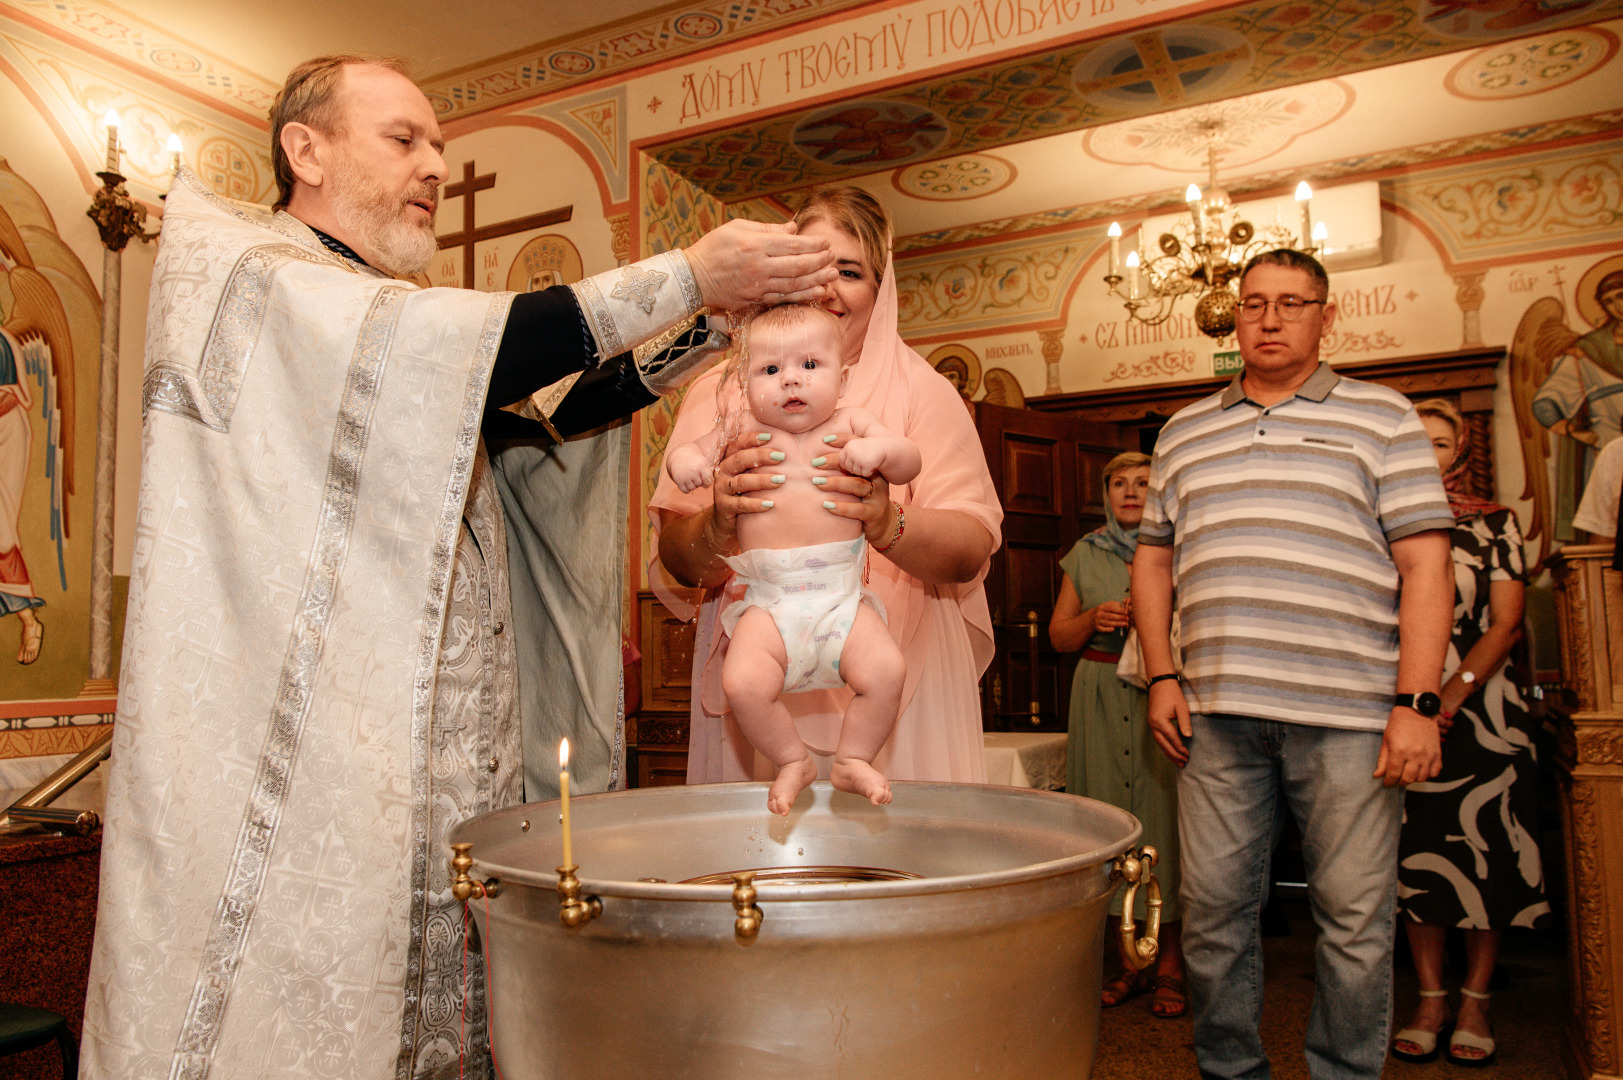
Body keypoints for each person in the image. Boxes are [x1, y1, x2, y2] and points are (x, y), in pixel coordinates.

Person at [81, 54, 836, 1080]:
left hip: (428, 770)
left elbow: (543, 416)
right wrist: (691, 274)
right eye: (404, 139)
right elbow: (487, 351)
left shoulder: (382, 311)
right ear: (306, 148)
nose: (436, 165)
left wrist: (707, 333)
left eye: (440, 143)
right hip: (308, 773)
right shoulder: (256, 279)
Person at [1131, 248, 1455, 1080]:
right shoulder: (1183, 430)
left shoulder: (1384, 418)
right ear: (1232, 317)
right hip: (1213, 713)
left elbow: (1425, 566)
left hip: (1349, 716)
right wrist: (1162, 675)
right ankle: (1228, 1070)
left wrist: (1415, 701)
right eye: (1251, 305)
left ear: (1325, 315)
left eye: (1290, 304)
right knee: (1211, 917)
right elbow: (1153, 563)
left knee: (1352, 920)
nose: (1268, 319)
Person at [652, 186, 1001, 787]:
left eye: (851, 270)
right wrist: (718, 521)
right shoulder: (721, 392)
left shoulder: (924, 392)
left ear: (881, 288)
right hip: (761, 661)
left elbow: (971, 547)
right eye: (812, 264)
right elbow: (677, 560)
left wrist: (885, 521)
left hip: (902, 680)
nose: (828, 286)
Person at [668, 303, 920, 813]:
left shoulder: (852, 422)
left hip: (840, 600)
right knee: (741, 683)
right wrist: (690, 463)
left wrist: (880, 454)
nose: (790, 382)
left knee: (887, 671)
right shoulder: (740, 426)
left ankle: (852, 758)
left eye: (809, 366)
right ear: (746, 383)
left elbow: (909, 458)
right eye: (770, 370)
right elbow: (684, 452)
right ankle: (791, 759)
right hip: (770, 602)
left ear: (842, 378)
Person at [1392, 399, 1550, 1068]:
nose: (1426, 452)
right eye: (1413, 442)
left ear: (1456, 453)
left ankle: (1476, 997)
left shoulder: (1492, 523)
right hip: (1398, 708)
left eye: (1437, 442)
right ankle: (1428, 996)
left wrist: (1448, 698)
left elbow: (1504, 622)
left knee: (1485, 853)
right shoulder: (1381, 522)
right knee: (1419, 853)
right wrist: (1414, 704)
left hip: (1481, 709)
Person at [1049, 450, 1186, 1018]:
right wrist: (1095, 618)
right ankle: (1128, 963)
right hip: (1100, 695)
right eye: (1119, 483)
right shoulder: (1086, 553)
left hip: (1162, 690)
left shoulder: (1179, 548)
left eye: (1143, 483)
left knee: (1168, 829)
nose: (1130, 492)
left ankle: (1173, 966)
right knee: (1105, 829)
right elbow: (1059, 638)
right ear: (1106, 493)